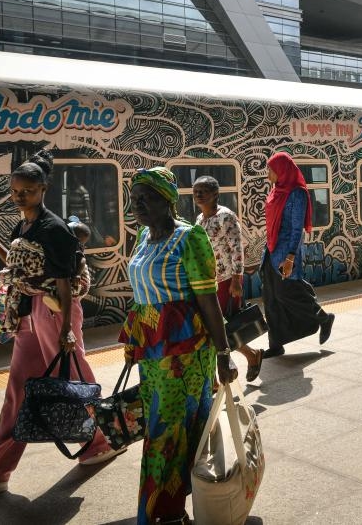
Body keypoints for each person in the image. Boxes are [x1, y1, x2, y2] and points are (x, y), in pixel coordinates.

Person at [0, 151, 121, 499]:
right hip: (29, 310)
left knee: (73, 379)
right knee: (20, 388)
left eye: (26, 191)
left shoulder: (54, 228)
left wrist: (67, 330)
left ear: (43, 189)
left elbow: (65, 281)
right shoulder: (22, 224)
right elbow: (18, 268)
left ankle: (100, 440)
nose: (18, 197)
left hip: (54, 310)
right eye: (14, 191)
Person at [120, 167, 236, 525]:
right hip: (152, 355)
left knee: (167, 435)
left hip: (185, 356)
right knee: (169, 430)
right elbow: (142, 297)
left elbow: (208, 301)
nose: (136, 204)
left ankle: (162, 513)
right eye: (134, 197)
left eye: (146, 198)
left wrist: (223, 353)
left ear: (168, 200)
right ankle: (173, 508)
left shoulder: (191, 238)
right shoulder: (142, 236)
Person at [260, 152, 334, 358]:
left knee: (288, 293)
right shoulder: (276, 191)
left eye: (271, 170)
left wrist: (291, 256)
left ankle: (323, 318)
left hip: (286, 252)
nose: (268, 175)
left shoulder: (296, 194)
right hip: (271, 250)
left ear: (282, 170)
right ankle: (275, 344)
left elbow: (296, 228)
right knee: (271, 298)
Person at [193, 175, 264, 382]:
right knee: (213, 327)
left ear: (215, 194)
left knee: (221, 326)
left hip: (226, 280)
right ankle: (252, 356)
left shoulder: (226, 216)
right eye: (195, 191)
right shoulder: (199, 220)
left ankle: (220, 375)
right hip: (208, 281)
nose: (198, 195)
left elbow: (237, 249)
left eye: (203, 191)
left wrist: (236, 280)